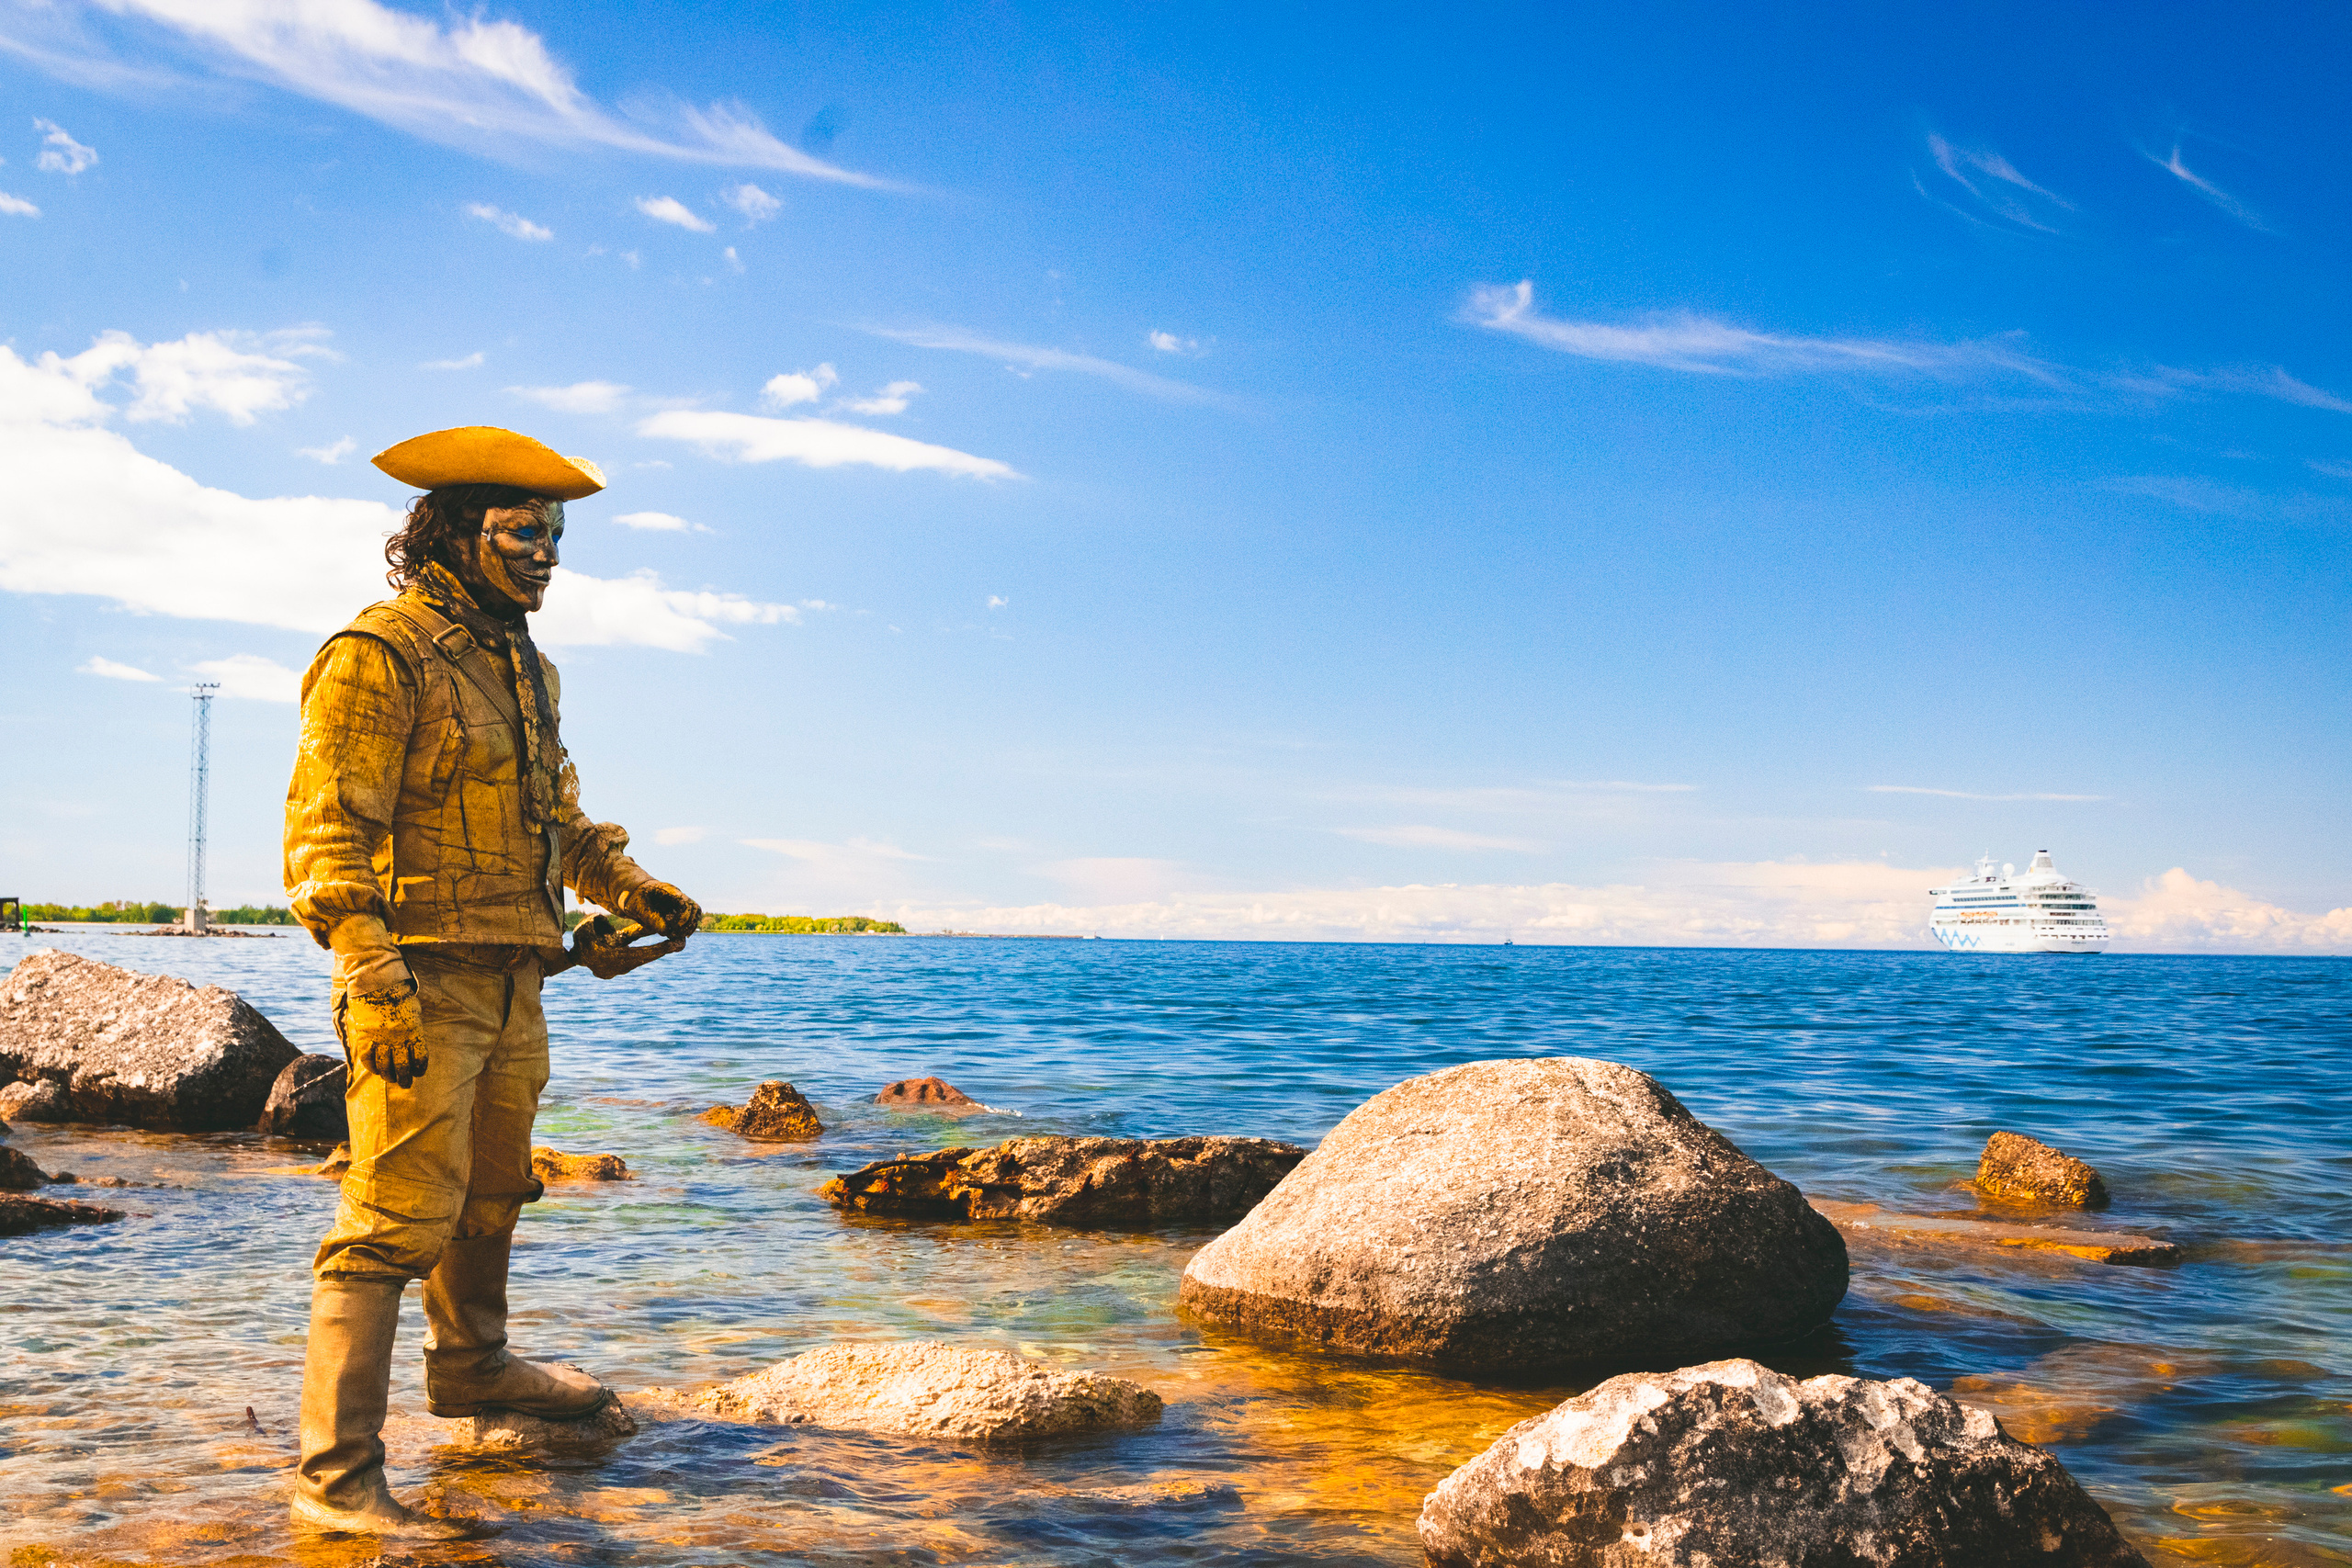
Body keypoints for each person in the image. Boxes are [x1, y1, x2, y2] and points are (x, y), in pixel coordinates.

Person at [282, 426, 702, 1537]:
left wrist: (633, 887)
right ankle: (335, 1486)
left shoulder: (526, 665)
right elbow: (327, 837)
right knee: (386, 1224)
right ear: (452, 533)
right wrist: (372, 978)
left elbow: (558, 823)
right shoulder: (379, 653)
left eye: (555, 536)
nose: (546, 554)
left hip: (518, 977)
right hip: (418, 979)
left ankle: (472, 1373)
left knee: (493, 1192)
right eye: (524, 531)